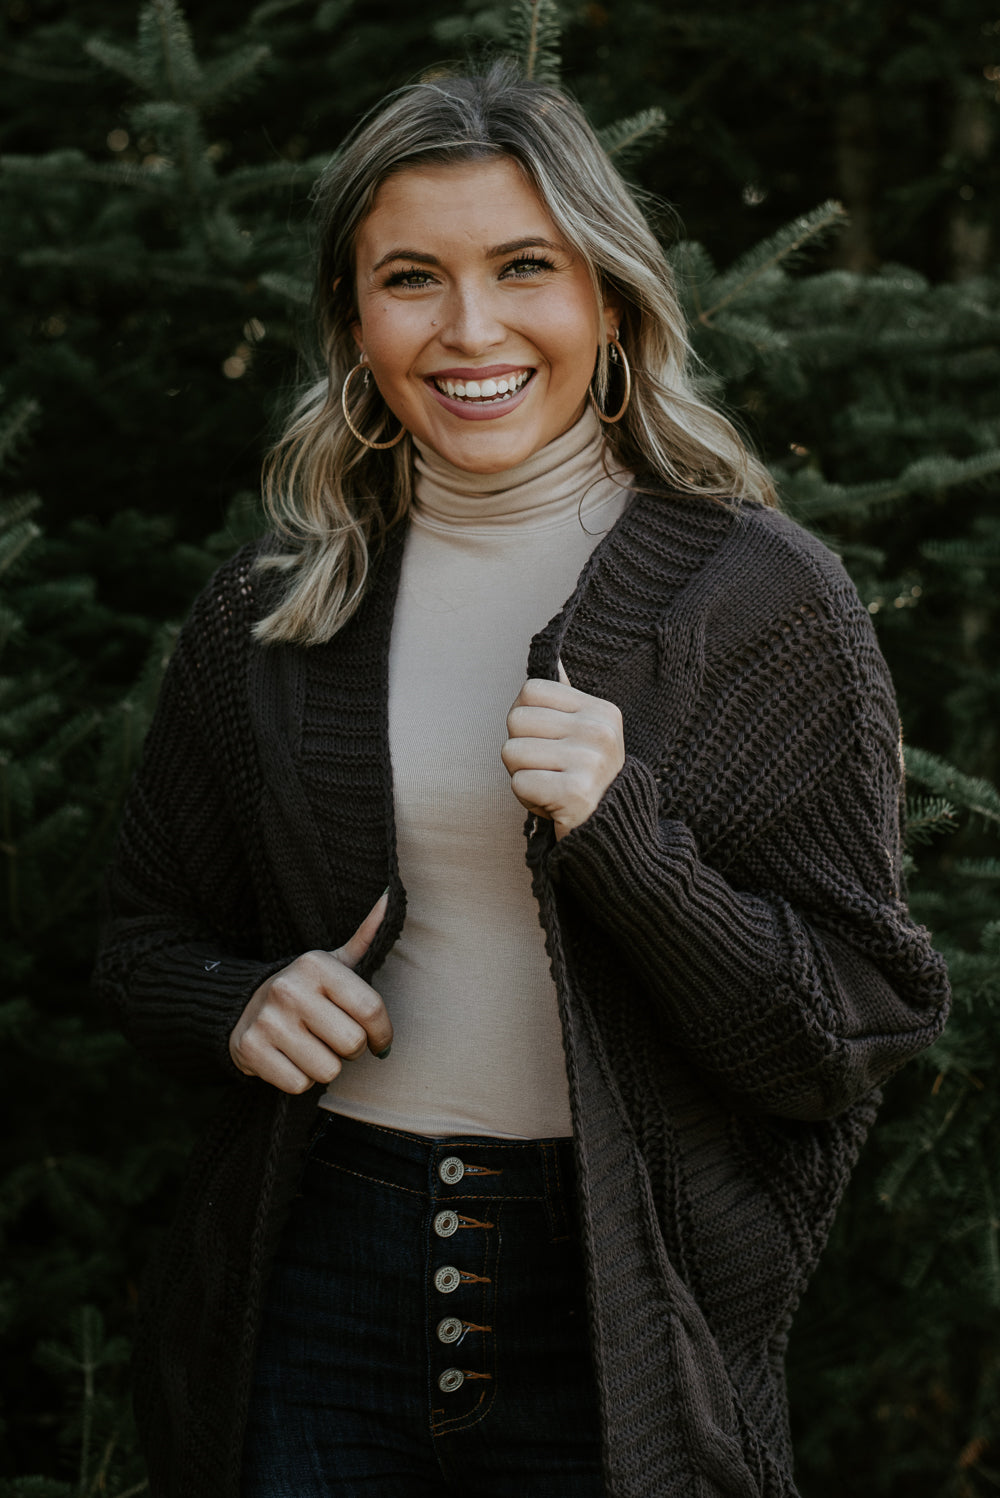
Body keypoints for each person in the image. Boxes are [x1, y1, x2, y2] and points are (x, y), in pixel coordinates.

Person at [94, 59, 951, 1498]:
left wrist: (625, 838)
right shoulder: (276, 604)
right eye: (411, 278)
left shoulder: (759, 599)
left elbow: (845, 1036)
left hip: (615, 1310)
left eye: (524, 267)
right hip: (319, 1285)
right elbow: (138, 941)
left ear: (609, 300)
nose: (470, 328)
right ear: (353, 319)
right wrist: (238, 1001)